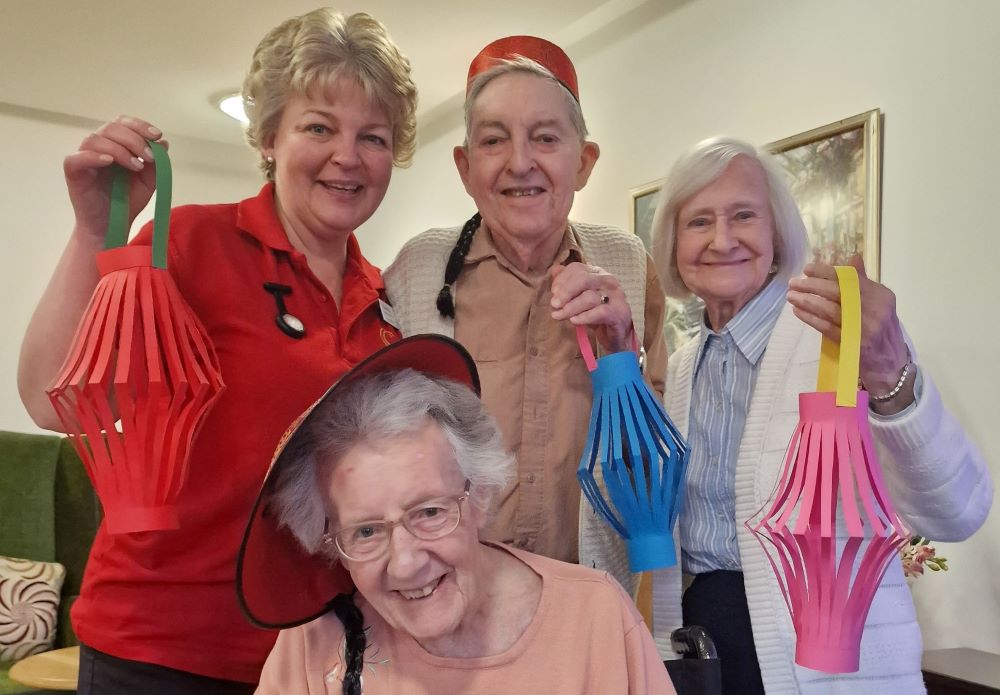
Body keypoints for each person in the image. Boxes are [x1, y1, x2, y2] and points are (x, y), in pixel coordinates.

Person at [16, 9, 417, 693]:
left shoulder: (382, 298)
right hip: (161, 650)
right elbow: (53, 394)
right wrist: (93, 230)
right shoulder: (195, 245)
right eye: (318, 126)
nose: (347, 156)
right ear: (268, 138)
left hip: (312, 653)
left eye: (372, 137)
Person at [624, 136, 991, 694]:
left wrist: (893, 375)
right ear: (673, 244)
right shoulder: (684, 366)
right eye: (699, 221)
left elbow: (957, 511)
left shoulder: (841, 338)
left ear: (778, 234)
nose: (722, 240)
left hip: (823, 668)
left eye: (743, 215)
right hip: (703, 648)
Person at [239, 334, 676, 695]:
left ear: (481, 493)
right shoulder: (315, 643)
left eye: (429, 511)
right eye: (366, 531)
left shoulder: (593, 617)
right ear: (329, 539)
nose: (406, 563)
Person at [383, 37, 666, 590]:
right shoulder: (418, 271)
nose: (520, 162)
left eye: (545, 137)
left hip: (589, 594)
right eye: (493, 140)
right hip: (447, 597)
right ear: (465, 168)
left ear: (583, 163)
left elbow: (658, 457)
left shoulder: (627, 264)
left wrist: (621, 352)